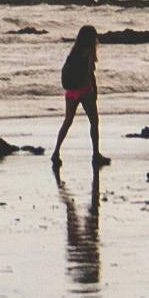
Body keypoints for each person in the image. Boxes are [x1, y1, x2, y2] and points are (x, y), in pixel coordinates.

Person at [51, 14, 101, 183]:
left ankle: (56, 152)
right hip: (84, 91)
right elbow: (90, 73)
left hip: (71, 92)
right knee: (94, 122)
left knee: (67, 121)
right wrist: (94, 90)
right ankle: (95, 154)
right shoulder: (88, 52)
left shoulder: (73, 53)